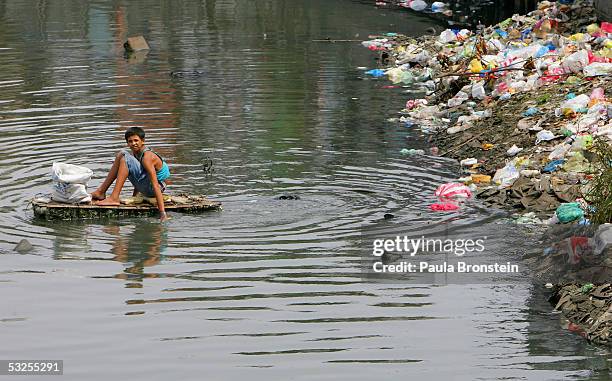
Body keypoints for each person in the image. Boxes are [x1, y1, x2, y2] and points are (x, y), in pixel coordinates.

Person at [91, 127, 171, 221]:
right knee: (121, 154)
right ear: (127, 143)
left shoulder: (147, 157)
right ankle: (101, 192)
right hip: (149, 186)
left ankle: (114, 198)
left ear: (143, 141)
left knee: (125, 158)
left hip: (155, 188)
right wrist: (134, 198)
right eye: (130, 141)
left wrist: (162, 213)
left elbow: (155, 184)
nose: (133, 143)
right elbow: (141, 175)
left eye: (136, 140)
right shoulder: (136, 153)